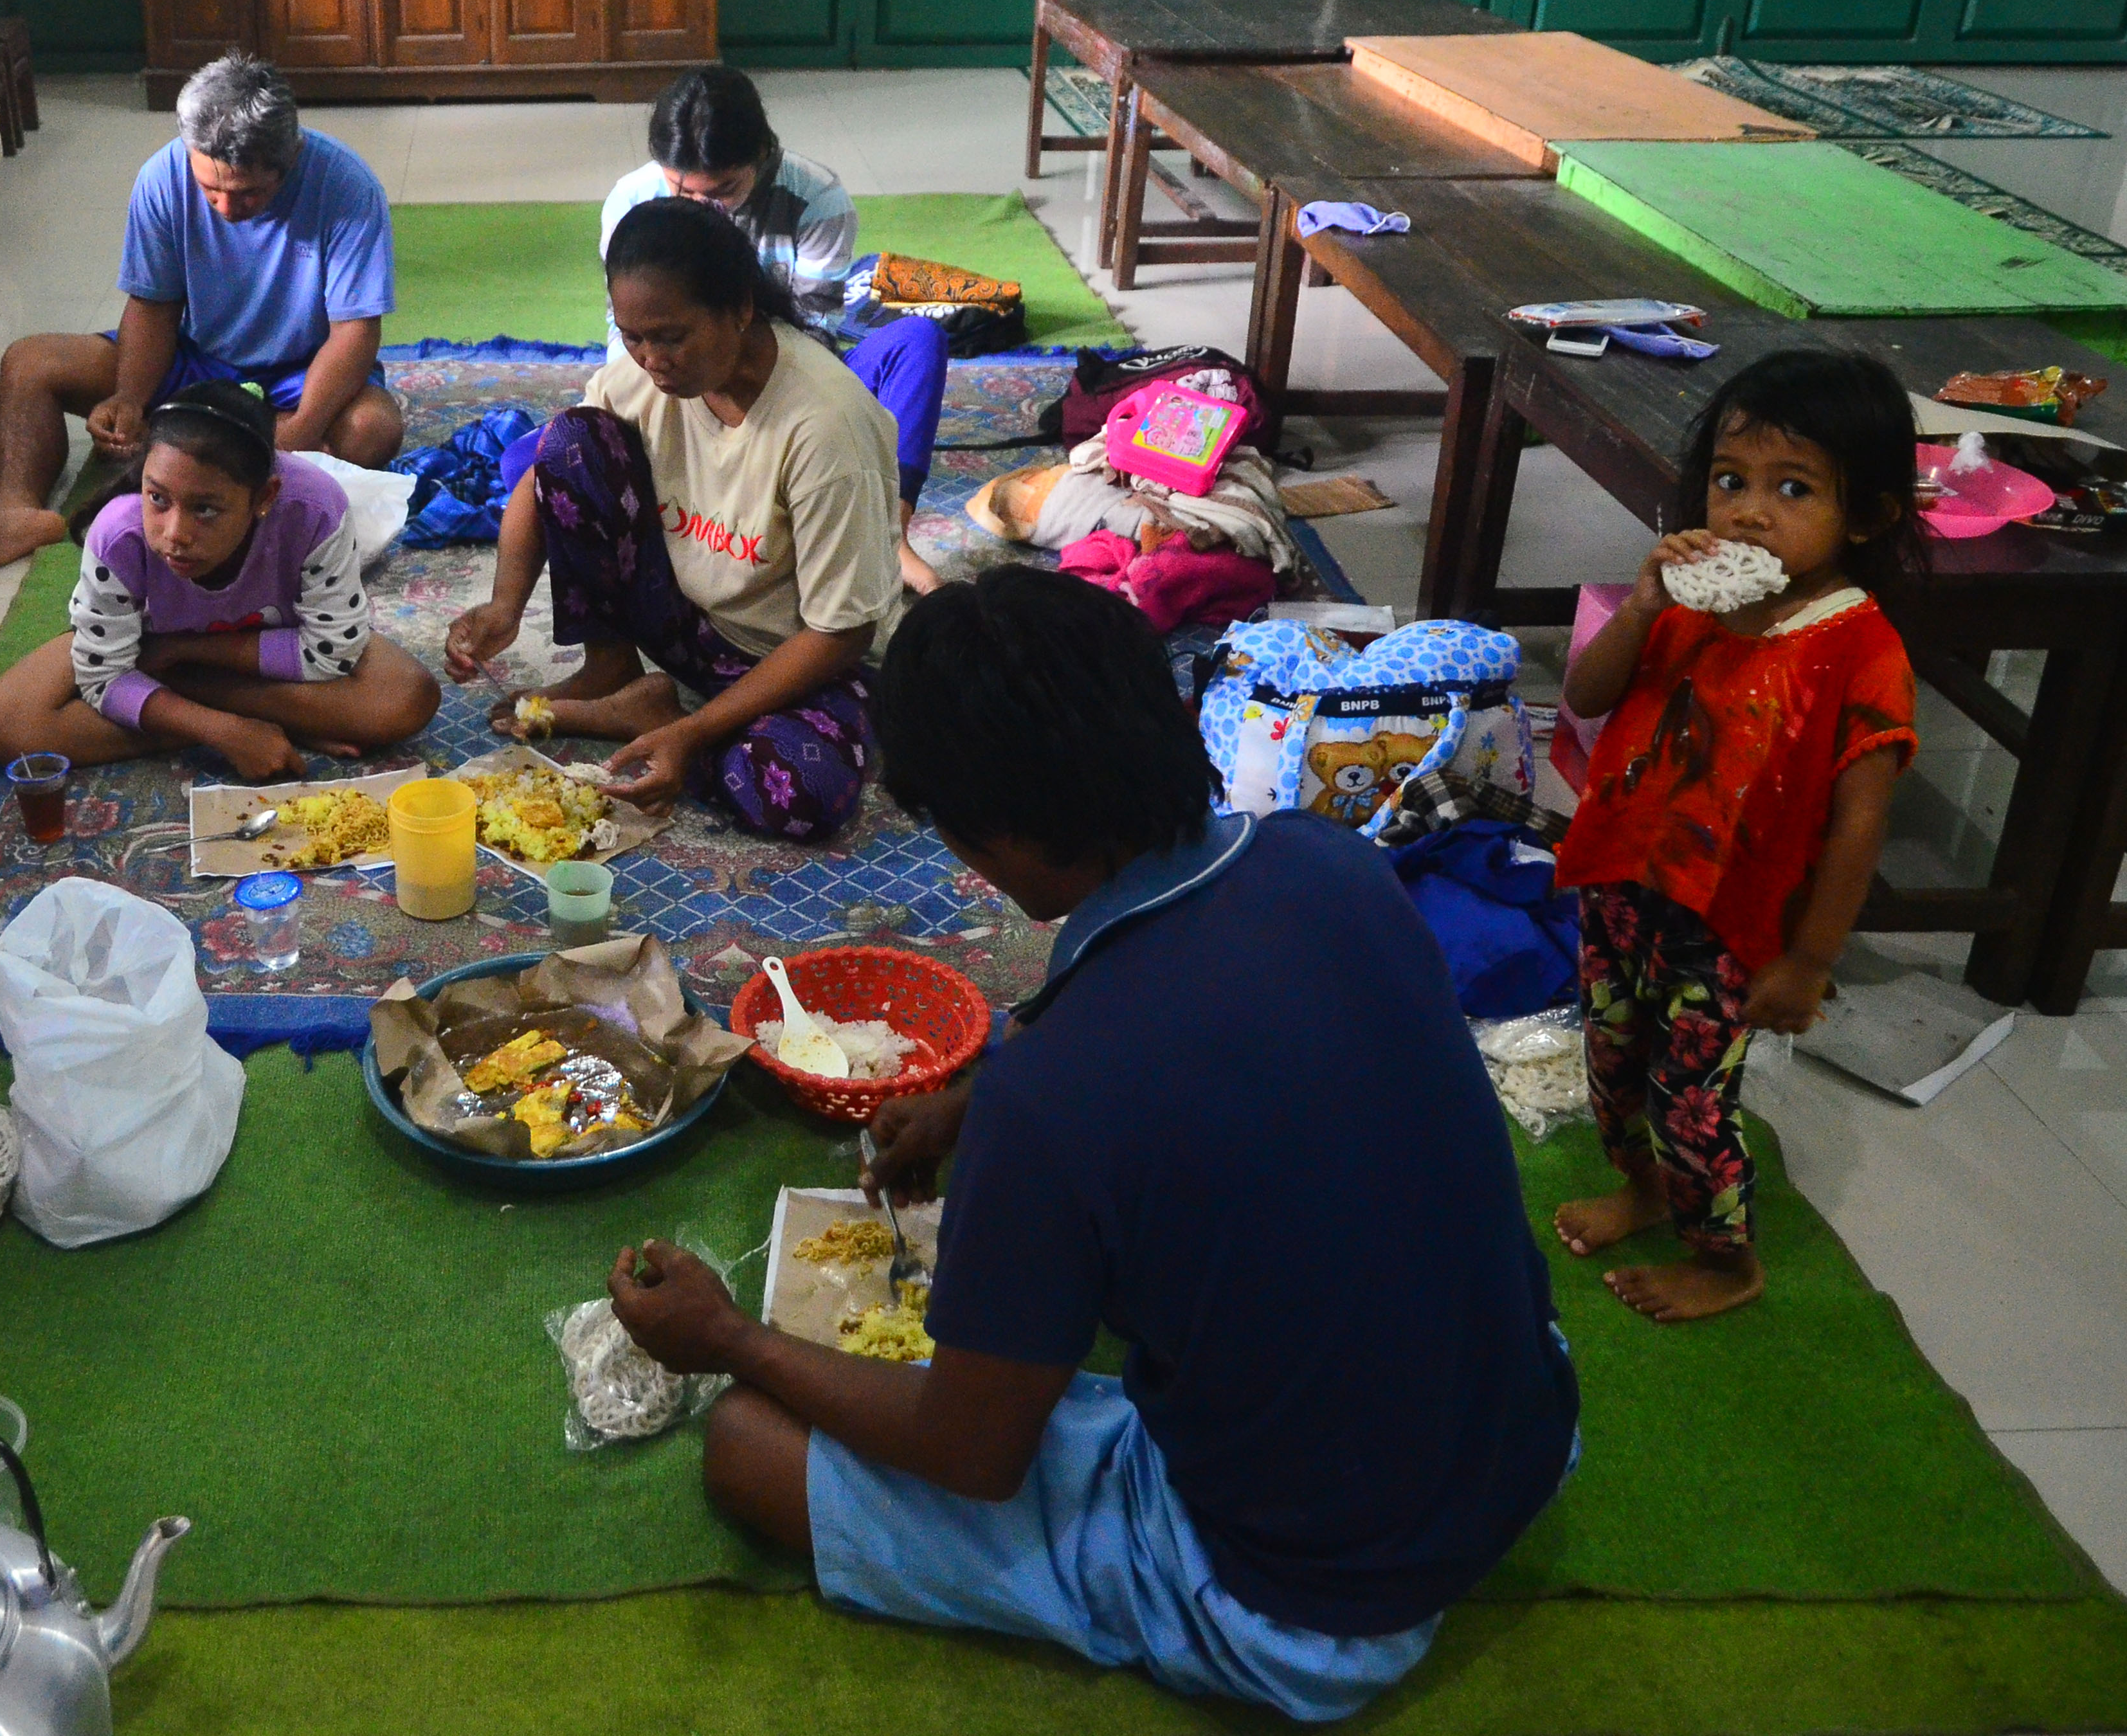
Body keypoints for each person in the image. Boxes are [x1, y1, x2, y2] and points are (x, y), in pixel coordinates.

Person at [605, 568, 1579, 1722]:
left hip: (1314, 1606)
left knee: (747, 1447)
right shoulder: (1331, 864)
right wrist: (980, 1092)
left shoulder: (1056, 1103)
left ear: (990, 835)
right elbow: (1188, 1032)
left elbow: (971, 1450)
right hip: (1520, 1438)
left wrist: (726, 1337)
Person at [1552, 348, 1922, 1323]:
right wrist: (1638, 608)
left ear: (1870, 516)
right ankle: (1641, 1190)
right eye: (1730, 481)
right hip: (1622, 889)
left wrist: (1807, 961)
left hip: (1724, 927)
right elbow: (1587, 699)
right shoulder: (1687, 606)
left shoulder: (1858, 649)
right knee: (1613, 1064)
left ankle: (1725, 1260)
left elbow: (1861, 823)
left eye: (1792, 488)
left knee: (1693, 1100)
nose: (1749, 512)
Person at [445, 197, 901, 841]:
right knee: (573, 440)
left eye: (671, 337)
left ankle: (655, 717)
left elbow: (841, 633)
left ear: (740, 309)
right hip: (691, 625)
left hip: (805, 662)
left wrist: (690, 732)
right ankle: (615, 674)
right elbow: (540, 477)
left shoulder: (825, 428)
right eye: (633, 337)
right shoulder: (648, 379)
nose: (651, 358)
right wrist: (503, 607)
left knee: (796, 795)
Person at [0, 53, 403, 572]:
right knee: (31, 363)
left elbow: (354, 333)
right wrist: (130, 397)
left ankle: (200, 451)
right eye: (212, 192)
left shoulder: (346, 187)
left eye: (248, 194)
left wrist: (301, 429)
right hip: (198, 364)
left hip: (301, 373)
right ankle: (18, 512)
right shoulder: (163, 176)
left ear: (289, 158)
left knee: (371, 430)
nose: (227, 209)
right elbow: (154, 305)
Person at [0, 381, 439, 781]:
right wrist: (223, 731)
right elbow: (105, 673)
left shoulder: (313, 508)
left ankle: (209, 700)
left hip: (243, 645)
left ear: (264, 497)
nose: (174, 535)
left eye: (206, 510)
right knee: (3, 723)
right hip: (147, 642)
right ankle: (283, 716)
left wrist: (186, 653)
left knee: (406, 698)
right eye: (157, 497)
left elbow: (333, 650)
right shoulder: (120, 532)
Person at [601, 67, 953, 594]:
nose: (704, 208)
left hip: (780, 377)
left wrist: (765, 425)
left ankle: (887, 535)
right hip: (680, 385)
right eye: (683, 189)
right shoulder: (633, 201)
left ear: (761, 153)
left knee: (920, 342)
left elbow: (813, 333)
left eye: (723, 190)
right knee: (538, 462)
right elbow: (629, 335)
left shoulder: (816, 199)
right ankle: (673, 547)